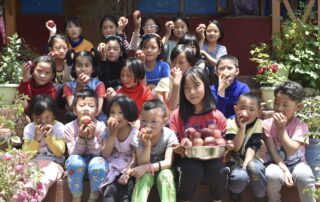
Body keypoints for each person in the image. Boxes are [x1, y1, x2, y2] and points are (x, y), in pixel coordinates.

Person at [169, 67, 228, 202]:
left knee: (217, 170)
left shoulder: (217, 116)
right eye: (187, 88)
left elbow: (222, 144)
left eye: (196, 86)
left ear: (206, 86)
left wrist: (227, 146)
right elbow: (173, 142)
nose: (192, 92)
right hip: (186, 159)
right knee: (192, 168)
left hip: (213, 159)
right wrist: (177, 148)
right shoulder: (177, 115)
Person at [263, 81, 316, 202]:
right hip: (276, 163)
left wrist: (281, 130)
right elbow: (273, 152)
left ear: (298, 107)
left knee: (305, 176)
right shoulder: (267, 125)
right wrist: (285, 170)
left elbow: (291, 150)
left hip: (297, 163)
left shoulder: (301, 126)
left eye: (285, 105)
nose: (279, 108)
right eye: (276, 103)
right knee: (272, 176)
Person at [64, 89, 108, 202]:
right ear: (74, 110)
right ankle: (76, 197)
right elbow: (73, 154)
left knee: (100, 163)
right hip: (77, 168)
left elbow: (99, 153)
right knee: (74, 161)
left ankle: (93, 197)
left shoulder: (100, 127)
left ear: (97, 111)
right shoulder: (69, 128)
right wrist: (82, 138)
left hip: (95, 168)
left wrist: (91, 138)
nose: (86, 109)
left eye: (91, 105)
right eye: (82, 105)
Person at [130, 99, 178, 202]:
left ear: (164, 122)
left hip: (163, 170)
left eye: (154, 121)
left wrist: (146, 168)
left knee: (166, 175)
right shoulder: (137, 137)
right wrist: (147, 145)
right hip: (145, 171)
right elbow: (141, 163)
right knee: (143, 177)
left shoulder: (169, 135)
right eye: (144, 120)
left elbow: (168, 163)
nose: (148, 125)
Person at [22, 95, 65, 201]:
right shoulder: (29, 128)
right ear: (32, 116)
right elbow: (25, 155)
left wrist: (49, 138)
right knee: (27, 179)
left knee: (44, 179)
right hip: (33, 161)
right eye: (38, 118)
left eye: (47, 117)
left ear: (54, 115)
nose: (43, 121)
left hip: (54, 163)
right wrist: (36, 139)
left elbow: (59, 153)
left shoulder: (59, 127)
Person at [225, 93, 266, 202]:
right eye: (242, 108)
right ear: (235, 109)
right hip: (234, 161)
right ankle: (235, 195)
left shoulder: (258, 123)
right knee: (240, 176)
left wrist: (246, 163)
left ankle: (260, 197)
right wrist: (242, 128)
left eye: (251, 110)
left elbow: (253, 145)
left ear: (258, 112)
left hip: (252, 160)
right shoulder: (230, 123)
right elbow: (235, 148)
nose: (246, 113)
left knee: (254, 168)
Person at [101, 95, 139, 202]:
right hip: (112, 167)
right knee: (109, 195)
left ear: (129, 113)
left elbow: (136, 158)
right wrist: (113, 134)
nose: (116, 116)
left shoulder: (135, 133)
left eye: (120, 112)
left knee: (126, 196)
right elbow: (105, 153)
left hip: (129, 168)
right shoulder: (107, 130)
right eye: (112, 112)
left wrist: (127, 172)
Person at [63, 49, 106, 123]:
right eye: (79, 65)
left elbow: (98, 110)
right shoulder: (68, 86)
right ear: (74, 69)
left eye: (87, 65)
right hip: (76, 118)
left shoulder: (99, 85)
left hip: (96, 118)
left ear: (93, 69)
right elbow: (71, 108)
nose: (83, 69)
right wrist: (78, 88)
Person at [154, 44, 195, 116]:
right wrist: (176, 84)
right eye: (173, 62)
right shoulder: (165, 81)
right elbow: (171, 106)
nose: (176, 66)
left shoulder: (194, 82)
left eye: (181, 63)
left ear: (190, 64)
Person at [211, 55, 250, 119]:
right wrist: (221, 90)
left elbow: (245, 111)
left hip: (237, 123)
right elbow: (216, 115)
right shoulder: (213, 89)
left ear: (237, 71)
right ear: (216, 72)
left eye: (229, 68)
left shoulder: (243, 88)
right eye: (222, 68)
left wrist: (230, 121)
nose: (226, 72)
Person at [48, 34, 72, 109]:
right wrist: (49, 64)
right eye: (58, 48)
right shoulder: (46, 63)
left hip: (66, 98)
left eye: (64, 48)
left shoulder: (71, 64)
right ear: (50, 49)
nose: (61, 51)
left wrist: (67, 63)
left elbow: (68, 82)